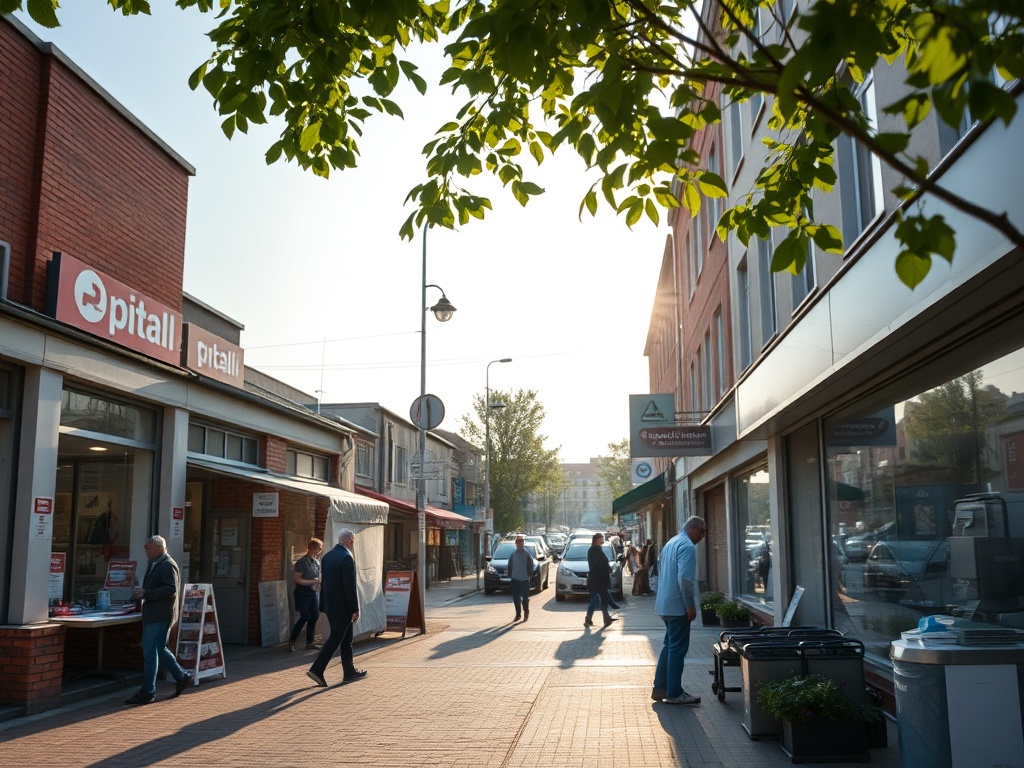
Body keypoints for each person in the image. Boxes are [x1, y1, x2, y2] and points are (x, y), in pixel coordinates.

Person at [125, 535, 192, 705]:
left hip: (160, 615)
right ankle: (182, 676)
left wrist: (146, 593)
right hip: (154, 614)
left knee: (150, 651)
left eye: (148, 547)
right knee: (158, 649)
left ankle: (148, 691)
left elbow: (170, 590)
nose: (146, 549)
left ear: (158, 547)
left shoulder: (167, 564)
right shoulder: (155, 563)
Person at [651, 517, 706, 706]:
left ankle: (660, 688)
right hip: (677, 605)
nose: (702, 537)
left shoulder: (671, 542)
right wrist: (689, 604)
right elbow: (684, 579)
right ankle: (674, 692)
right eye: (703, 532)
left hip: (665, 603)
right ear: (695, 529)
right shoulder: (687, 547)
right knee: (677, 648)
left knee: (669, 646)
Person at [307, 529, 367, 687]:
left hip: (330, 605)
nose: (353, 543)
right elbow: (350, 586)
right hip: (343, 607)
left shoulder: (327, 557)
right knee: (336, 638)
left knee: (346, 639)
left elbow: (325, 582)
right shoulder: (347, 557)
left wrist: (323, 604)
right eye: (353, 540)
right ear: (349, 540)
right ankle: (317, 669)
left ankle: (349, 671)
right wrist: (355, 608)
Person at [288, 538, 324, 652]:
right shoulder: (302, 562)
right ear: (313, 548)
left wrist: (317, 584)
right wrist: (314, 581)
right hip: (302, 592)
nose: (319, 551)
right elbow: (297, 579)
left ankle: (309, 642)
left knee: (314, 616)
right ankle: (292, 641)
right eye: (318, 549)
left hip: (313, 592)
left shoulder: (317, 562)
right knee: (304, 617)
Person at [584, 532, 617, 629]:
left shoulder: (598, 549)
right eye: (602, 538)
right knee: (595, 599)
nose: (603, 540)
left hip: (600, 578)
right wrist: (606, 568)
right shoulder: (593, 550)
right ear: (597, 539)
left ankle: (606, 618)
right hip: (596, 579)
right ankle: (589, 618)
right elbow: (597, 564)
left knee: (603, 599)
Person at [507, 535, 535, 622]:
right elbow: (509, 565)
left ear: (523, 543)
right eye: (518, 543)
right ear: (516, 544)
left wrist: (529, 576)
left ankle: (526, 613)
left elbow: (531, 565)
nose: (520, 544)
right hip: (515, 579)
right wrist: (510, 575)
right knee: (516, 598)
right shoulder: (513, 555)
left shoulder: (527, 554)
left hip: (525, 579)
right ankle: (518, 614)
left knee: (525, 598)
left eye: (521, 543)